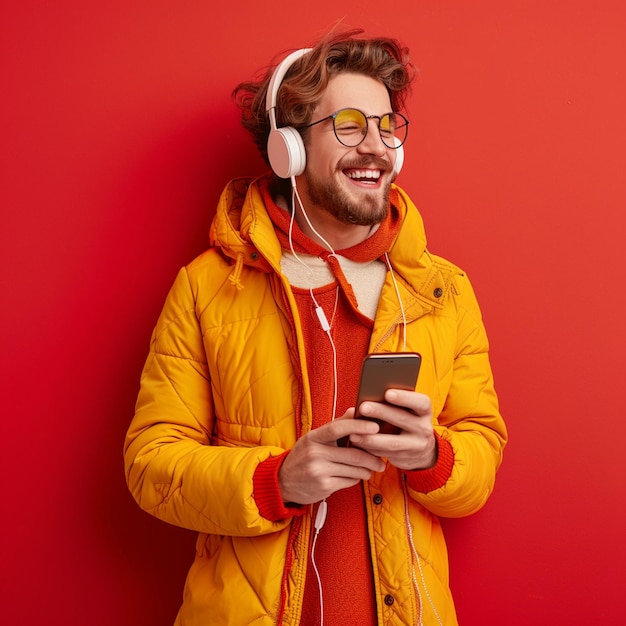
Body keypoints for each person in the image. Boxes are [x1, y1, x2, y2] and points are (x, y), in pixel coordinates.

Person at [124, 28, 507, 626]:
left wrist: (432, 453)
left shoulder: (442, 291)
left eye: (387, 127)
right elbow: (150, 465)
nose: (377, 147)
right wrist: (275, 480)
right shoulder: (207, 286)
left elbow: (482, 453)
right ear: (288, 149)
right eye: (350, 125)